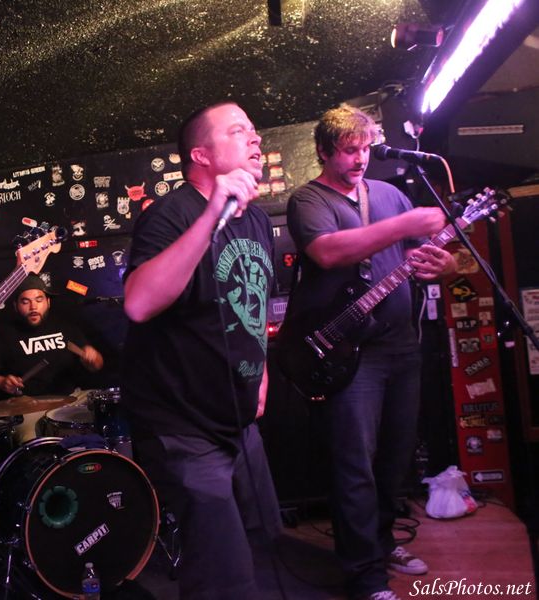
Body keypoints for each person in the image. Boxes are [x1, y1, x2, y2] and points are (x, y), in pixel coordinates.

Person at [284, 104, 456, 600]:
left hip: (401, 344)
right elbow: (329, 251)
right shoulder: (309, 199)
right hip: (351, 351)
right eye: (348, 150)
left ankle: (381, 545)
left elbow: (430, 255)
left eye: (365, 148)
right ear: (323, 151)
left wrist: (444, 266)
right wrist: (405, 226)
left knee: (394, 459)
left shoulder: (390, 194)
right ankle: (365, 576)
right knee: (355, 463)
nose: (360, 159)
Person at [122, 101, 282, 599]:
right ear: (201, 155)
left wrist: (261, 371)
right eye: (237, 131)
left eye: (253, 131)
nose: (255, 139)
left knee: (264, 542)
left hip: (237, 419)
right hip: (184, 426)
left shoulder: (257, 221)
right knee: (222, 574)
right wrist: (213, 212)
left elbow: (253, 306)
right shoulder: (172, 215)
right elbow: (139, 303)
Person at [0, 273, 104, 398]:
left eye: (39, 300)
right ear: (15, 306)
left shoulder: (65, 327)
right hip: (27, 405)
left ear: (48, 302)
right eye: (25, 302)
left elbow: (97, 365)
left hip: (70, 399)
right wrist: (1, 382)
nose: (33, 307)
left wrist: (93, 359)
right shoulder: (4, 334)